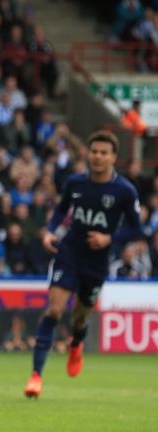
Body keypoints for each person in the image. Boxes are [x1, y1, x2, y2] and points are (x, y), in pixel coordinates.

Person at [24, 130, 142, 399]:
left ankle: (76, 344)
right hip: (70, 253)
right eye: (94, 152)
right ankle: (36, 376)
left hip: (97, 262)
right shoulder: (75, 182)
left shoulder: (124, 191)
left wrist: (109, 237)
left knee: (80, 317)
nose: (98, 157)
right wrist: (51, 231)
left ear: (113, 157)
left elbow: (138, 229)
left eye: (104, 153)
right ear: (88, 154)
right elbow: (60, 211)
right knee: (54, 309)